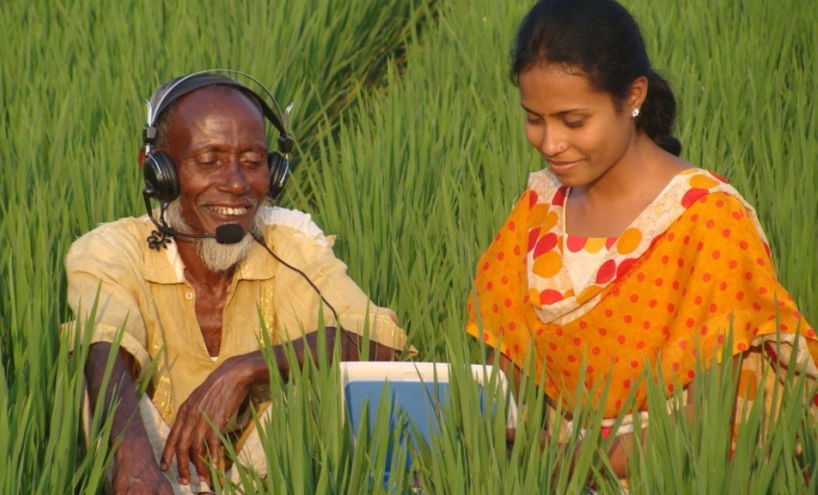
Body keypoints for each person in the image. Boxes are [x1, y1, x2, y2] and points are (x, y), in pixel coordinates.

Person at [465, 0, 817, 481]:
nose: (550, 144)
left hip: (668, 472)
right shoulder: (539, 208)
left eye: (573, 122)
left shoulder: (706, 218)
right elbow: (503, 373)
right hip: (548, 466)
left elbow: (703, 424)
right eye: (534, 118)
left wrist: (569, 460)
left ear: (633, 97)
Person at [65, 70, 411, 494]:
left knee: (330, 382)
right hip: (150, 470)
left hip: (270, 476)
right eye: (209, 162)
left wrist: (244, 369)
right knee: (95, 386)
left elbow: (379, 342)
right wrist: (132, 460)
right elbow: (103, 352)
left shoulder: (290, 243)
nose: (236, 184)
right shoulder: (109, 250)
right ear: (159, 171)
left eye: (253, 163)